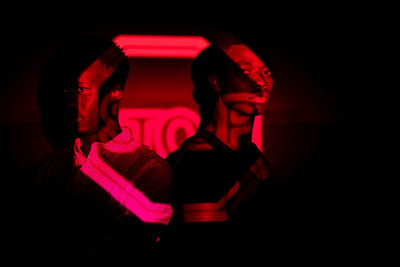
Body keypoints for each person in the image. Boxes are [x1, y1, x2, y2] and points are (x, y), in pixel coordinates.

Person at [25, 36, 172, 257]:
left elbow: (129, 246)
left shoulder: (150, 170)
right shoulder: (46, 170)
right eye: (66, 91)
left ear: (116, 91)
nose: (69, 102)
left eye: (81, 89)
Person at [166, 33, 277, 251]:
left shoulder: (251, 156)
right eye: (245, 72)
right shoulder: (195, 162)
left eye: (266, 72)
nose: (261, 82)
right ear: (217, 83)